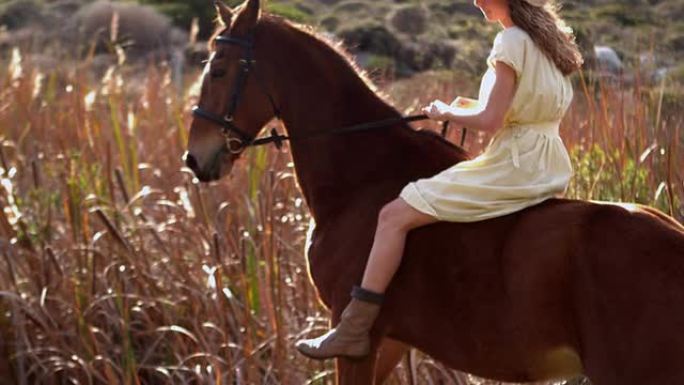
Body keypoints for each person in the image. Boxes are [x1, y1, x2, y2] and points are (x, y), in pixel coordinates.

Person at [295, 0, 584, 360]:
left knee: (393, 216)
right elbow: (518, 109)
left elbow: (492, 120)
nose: (476, 2)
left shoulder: (510, 42)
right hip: (548, 162)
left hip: (514, 163)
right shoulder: (545, 43)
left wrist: (444, 112)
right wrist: (467, 107)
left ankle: (353, 329)